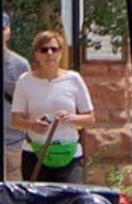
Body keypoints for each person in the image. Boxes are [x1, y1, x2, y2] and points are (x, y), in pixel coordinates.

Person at [9, 30, 96, 183]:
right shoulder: (25, 81)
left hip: (70, 155)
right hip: (35, 153)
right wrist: (32, 125)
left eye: (54, 49)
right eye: (44, 50)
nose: (49, 53)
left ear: (60, 53)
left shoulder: (73, 79)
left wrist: (71, 117)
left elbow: (90, 119)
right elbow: (16, 120)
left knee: (69, 202)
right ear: (36, 54)